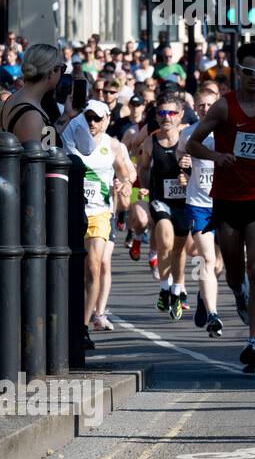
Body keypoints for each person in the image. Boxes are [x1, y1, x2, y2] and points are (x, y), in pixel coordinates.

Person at [185, 42, 255, 373]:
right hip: (228, 198)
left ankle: (253, 341)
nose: (254, 78)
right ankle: (238, 293)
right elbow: (192, 143)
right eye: (248, 72)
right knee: (233, 271)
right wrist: (218, 157)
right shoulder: (223, 107)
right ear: (238, 71)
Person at [69, 100, 134, 335]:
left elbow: (129, 171)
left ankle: (85, 324)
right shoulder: (72, 140)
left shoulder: (113, 145)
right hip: (73, 213)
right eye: (88, 118)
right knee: (71, 268)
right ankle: (74, 315)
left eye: (97, 118)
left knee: (94, 266)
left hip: (99, 213)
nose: (92, 123)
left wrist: (125, 183)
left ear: (107, 119)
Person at [135, 91, 192, 319]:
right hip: (161, 200)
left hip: (184, 202)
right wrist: (145, 188)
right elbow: (144, 167)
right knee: (165, 239)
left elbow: (202, 169)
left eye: (171, 113)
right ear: (157, 117)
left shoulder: (188, 140)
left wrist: (189, 173)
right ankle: (164, 287)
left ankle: (176, 291)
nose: (166, 117)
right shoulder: (151, 141)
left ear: (180, 116)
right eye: (162, 113)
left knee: (179, 250)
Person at [178, 86, 224, 337]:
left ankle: (202, 294)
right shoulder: (187, 133)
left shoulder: (227, 133)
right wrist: (182, 163)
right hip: (199, 203)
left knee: (218, 265)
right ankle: (214, 315)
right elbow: (179, 155)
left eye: (209, 105)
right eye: (201, 106)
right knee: (206, 258)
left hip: (224, 203)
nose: (205, 110)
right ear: (195, 108)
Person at [0, 42, 63, 143]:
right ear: (51, 72)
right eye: (62, 69)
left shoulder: (14, 99)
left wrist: (67, 116)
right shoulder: (31, 116)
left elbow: (48, 139)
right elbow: (34, 157)